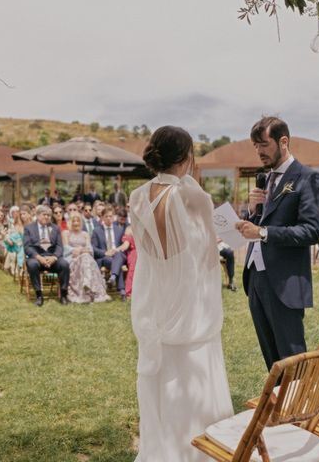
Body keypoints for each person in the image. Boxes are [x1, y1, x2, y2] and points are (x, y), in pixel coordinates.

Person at [130, 126, 233, 461]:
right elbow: (207, 261)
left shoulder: (136, 197)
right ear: (187, 156)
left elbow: (150, 253)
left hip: (155, 303)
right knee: (193, 381)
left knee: (162, 382)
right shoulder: (194, 197)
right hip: (189, 311)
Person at [235, 116, 319, 371]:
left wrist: (263, 232)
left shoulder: (309, 179)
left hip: (284, 282)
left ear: (283, 141)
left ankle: (301, 408)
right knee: (272, 361)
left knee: (292, 359)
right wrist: (252, 212)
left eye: (263, 144)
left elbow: (310, 231)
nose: (258, 152)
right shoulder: (266, 179)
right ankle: (282, 408)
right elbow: (260, 223)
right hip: (256, 280)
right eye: (255, 146)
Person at [23, 205, 70, 307]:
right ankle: (39, 296)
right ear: (38, 215)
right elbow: (27, 247)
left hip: (52, 257)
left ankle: (63, 295)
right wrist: (39, 257)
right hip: (37, 257)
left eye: (49, 215)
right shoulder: (29, 228)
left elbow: (59, 246)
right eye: (44, 215)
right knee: (32, 265)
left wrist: (54, 257)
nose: (47, 217)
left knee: (65, 264)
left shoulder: (55, 228)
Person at [62, 213, 110, 303]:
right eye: (74, 221)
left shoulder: (85, 234)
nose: (76, 223)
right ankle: (87, 286)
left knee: (86, 257)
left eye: (78, 221)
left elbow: (90, 249)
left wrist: (84, 251)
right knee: (85, 257)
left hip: (86, 257)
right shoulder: (66, 233)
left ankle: (87, 284)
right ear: (70, 222)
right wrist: (78, 250)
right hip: (73, 258)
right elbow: (66, 248)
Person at [91, 206, 128, 301]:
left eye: (110, 216)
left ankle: (113, 276)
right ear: (102, 217)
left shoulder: (119, 230)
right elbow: (93, 248)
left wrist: (116, 250)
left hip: (118, 255)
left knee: (118, 256)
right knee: (114, 262)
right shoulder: (96, 231)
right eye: (106, 216)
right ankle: (122, 290)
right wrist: (105, 253)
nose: (108, 218)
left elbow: (124, 245)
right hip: (105, 258)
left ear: (114, 217)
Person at [3, 206, 25, 276]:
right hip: (12, 243)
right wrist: (8, 238)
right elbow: (8, 234)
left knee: (16, 251)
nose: (15, 213)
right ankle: (14, 270)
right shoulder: (11, 223)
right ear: (11, 214)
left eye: (17, 212)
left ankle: (15, 269)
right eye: (13, 212)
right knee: (12, 249)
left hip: (21, 244)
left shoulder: (23, 223)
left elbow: (22, 237)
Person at [121, 225, 137, 298]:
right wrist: (116, 250)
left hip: (141, 254)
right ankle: (129, 291)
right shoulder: (129, 232)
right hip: (134, 255)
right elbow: (124, 246)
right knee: (132, 271)